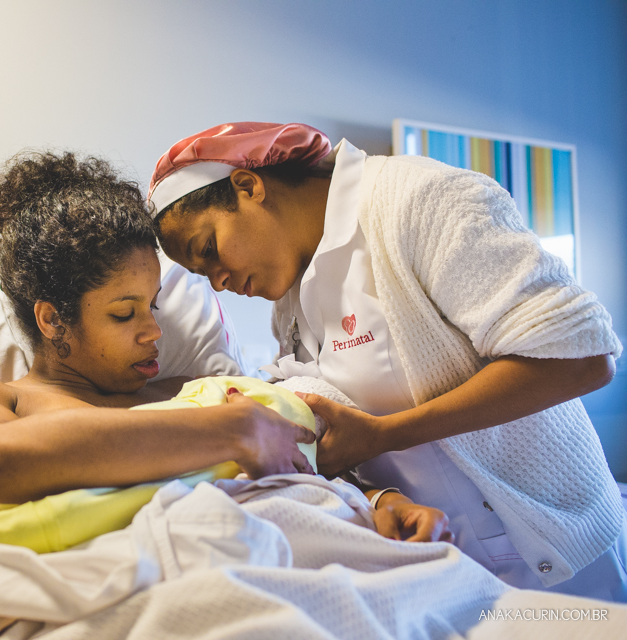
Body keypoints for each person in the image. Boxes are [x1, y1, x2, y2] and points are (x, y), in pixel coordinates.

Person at [147, 121, 627, 601]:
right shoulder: (292, 303)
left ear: (248, 187)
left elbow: (580, 357)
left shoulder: (416, 201)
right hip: (442, 563)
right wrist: (376, 495)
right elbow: (348, 432)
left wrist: (388, 434)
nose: (217, 281)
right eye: (201, 273)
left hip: (555, 553)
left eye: (209, 250)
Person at [0, 150, 450, 545]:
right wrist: (234, 429)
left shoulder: (190, 392)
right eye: (122, 312)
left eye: (153, 306)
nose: (153, 331)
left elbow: (298, 459)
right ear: (52, 319)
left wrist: (378, 499)